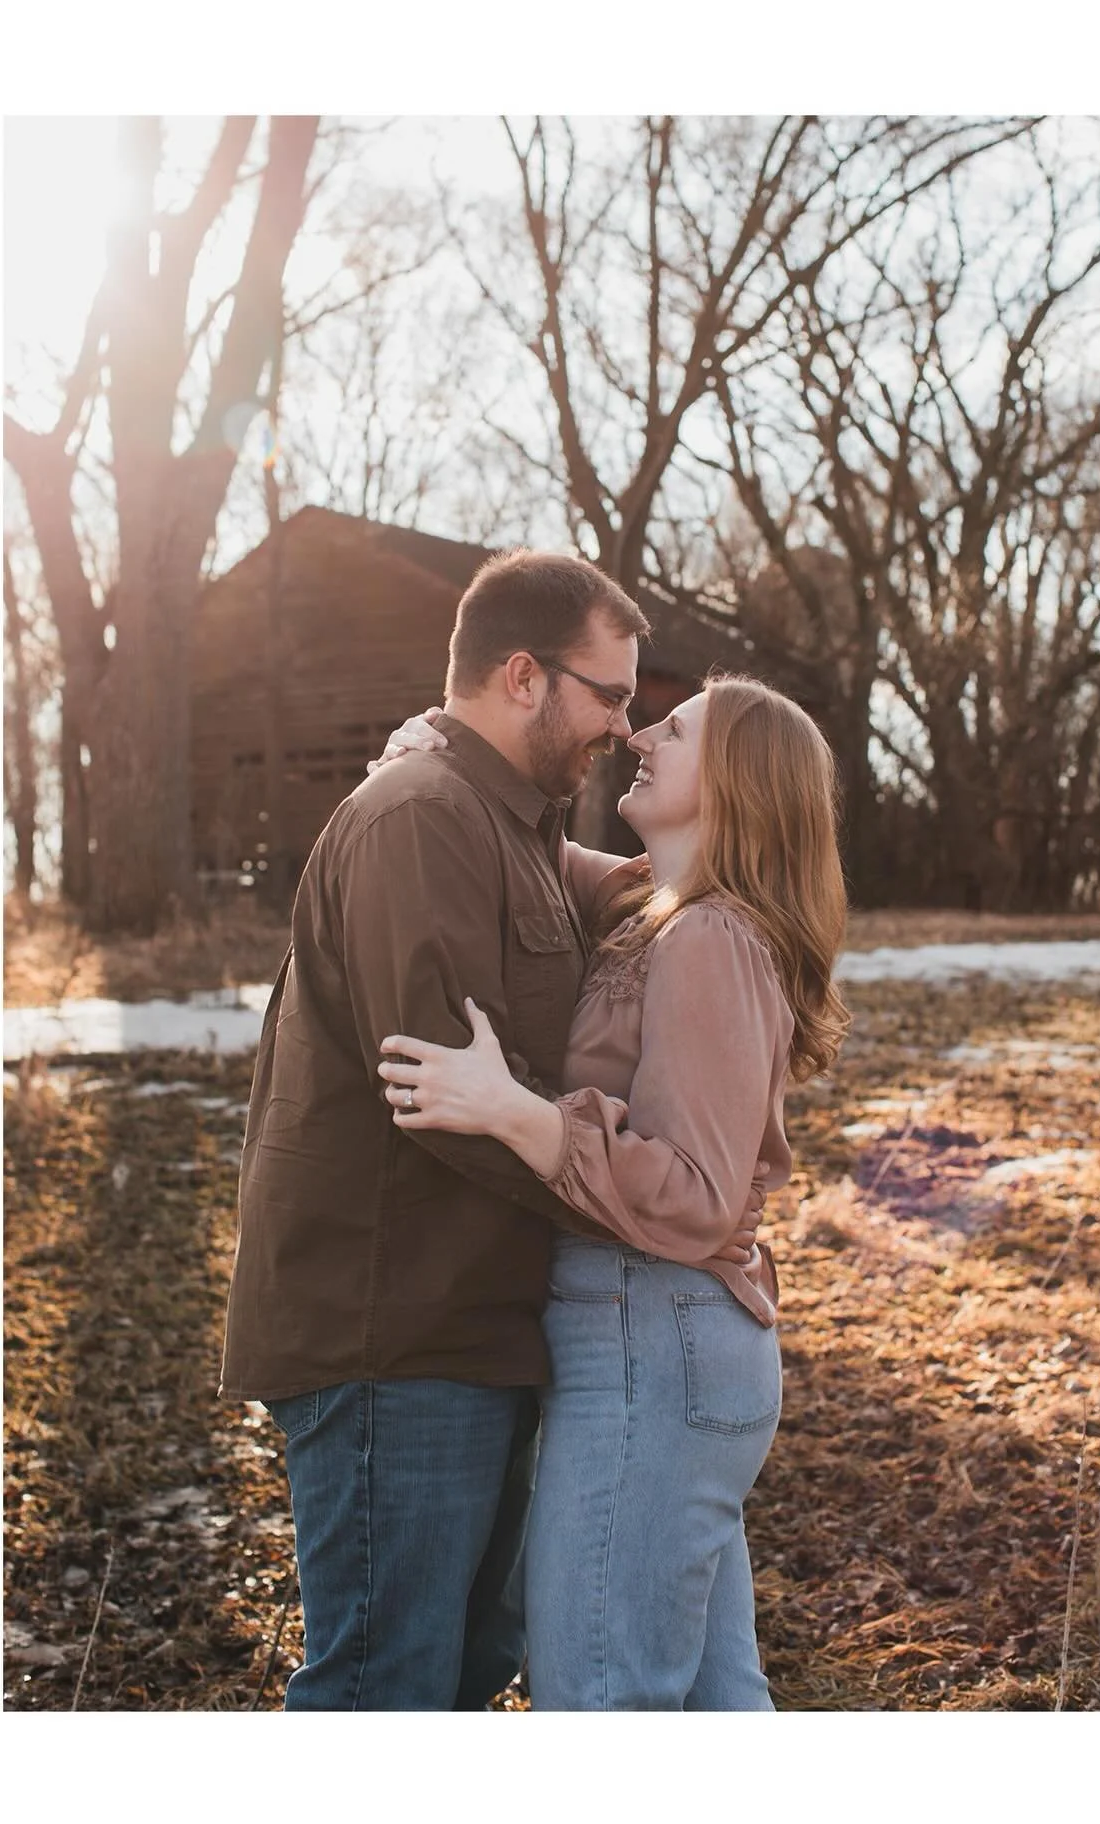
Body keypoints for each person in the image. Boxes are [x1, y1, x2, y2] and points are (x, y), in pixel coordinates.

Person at [217, 548, 668, 1710]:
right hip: (392, 1335)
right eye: (610, 695)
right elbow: (441, 1099)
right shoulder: (421, 818)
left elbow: (633, 886)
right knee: (385, 1688)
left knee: (459, 1673)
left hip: (470, 1331)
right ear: (524, 676)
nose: (624, 726)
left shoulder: (508, 821)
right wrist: (640, 1198)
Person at [376, 674, 851, 1709]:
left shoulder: (713, 940)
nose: (639, 733)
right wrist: (443, 758)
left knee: (601, 1696)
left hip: (656, 1340)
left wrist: (515, 1112)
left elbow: (697, 1196)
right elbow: (533, 853)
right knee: (710, 1702)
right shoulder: (654, 907)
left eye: (673, 731)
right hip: (662, 1348)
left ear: (732, 785)